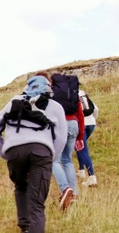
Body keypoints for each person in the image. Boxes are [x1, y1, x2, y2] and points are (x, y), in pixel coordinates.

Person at [0, 75, 67, 233]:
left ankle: (24, 226)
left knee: (20, 185)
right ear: (48, 87)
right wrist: (50, 157)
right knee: (37, 205)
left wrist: (5, 151)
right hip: (42, 153)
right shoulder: (55, 106)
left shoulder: (15, 101)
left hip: (14, 152)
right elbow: (61, 137)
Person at [46, 72, 85, 211]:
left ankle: (65, 190)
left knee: (54, 160)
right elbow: (80, 115)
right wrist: (80, 137)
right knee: (67, 160)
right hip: (74, 125)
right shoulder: (73, 93)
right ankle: (73, 194)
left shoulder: (53, 93)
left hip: (61, 125)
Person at [76, 89, 99, 187]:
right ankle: (81, 170)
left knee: (82, 149)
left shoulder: (68, 94)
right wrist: (93, 119)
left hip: (80, 124)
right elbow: (96, 109)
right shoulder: (82, 93)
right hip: (91, 123)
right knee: (79, 146)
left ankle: (92, 176)